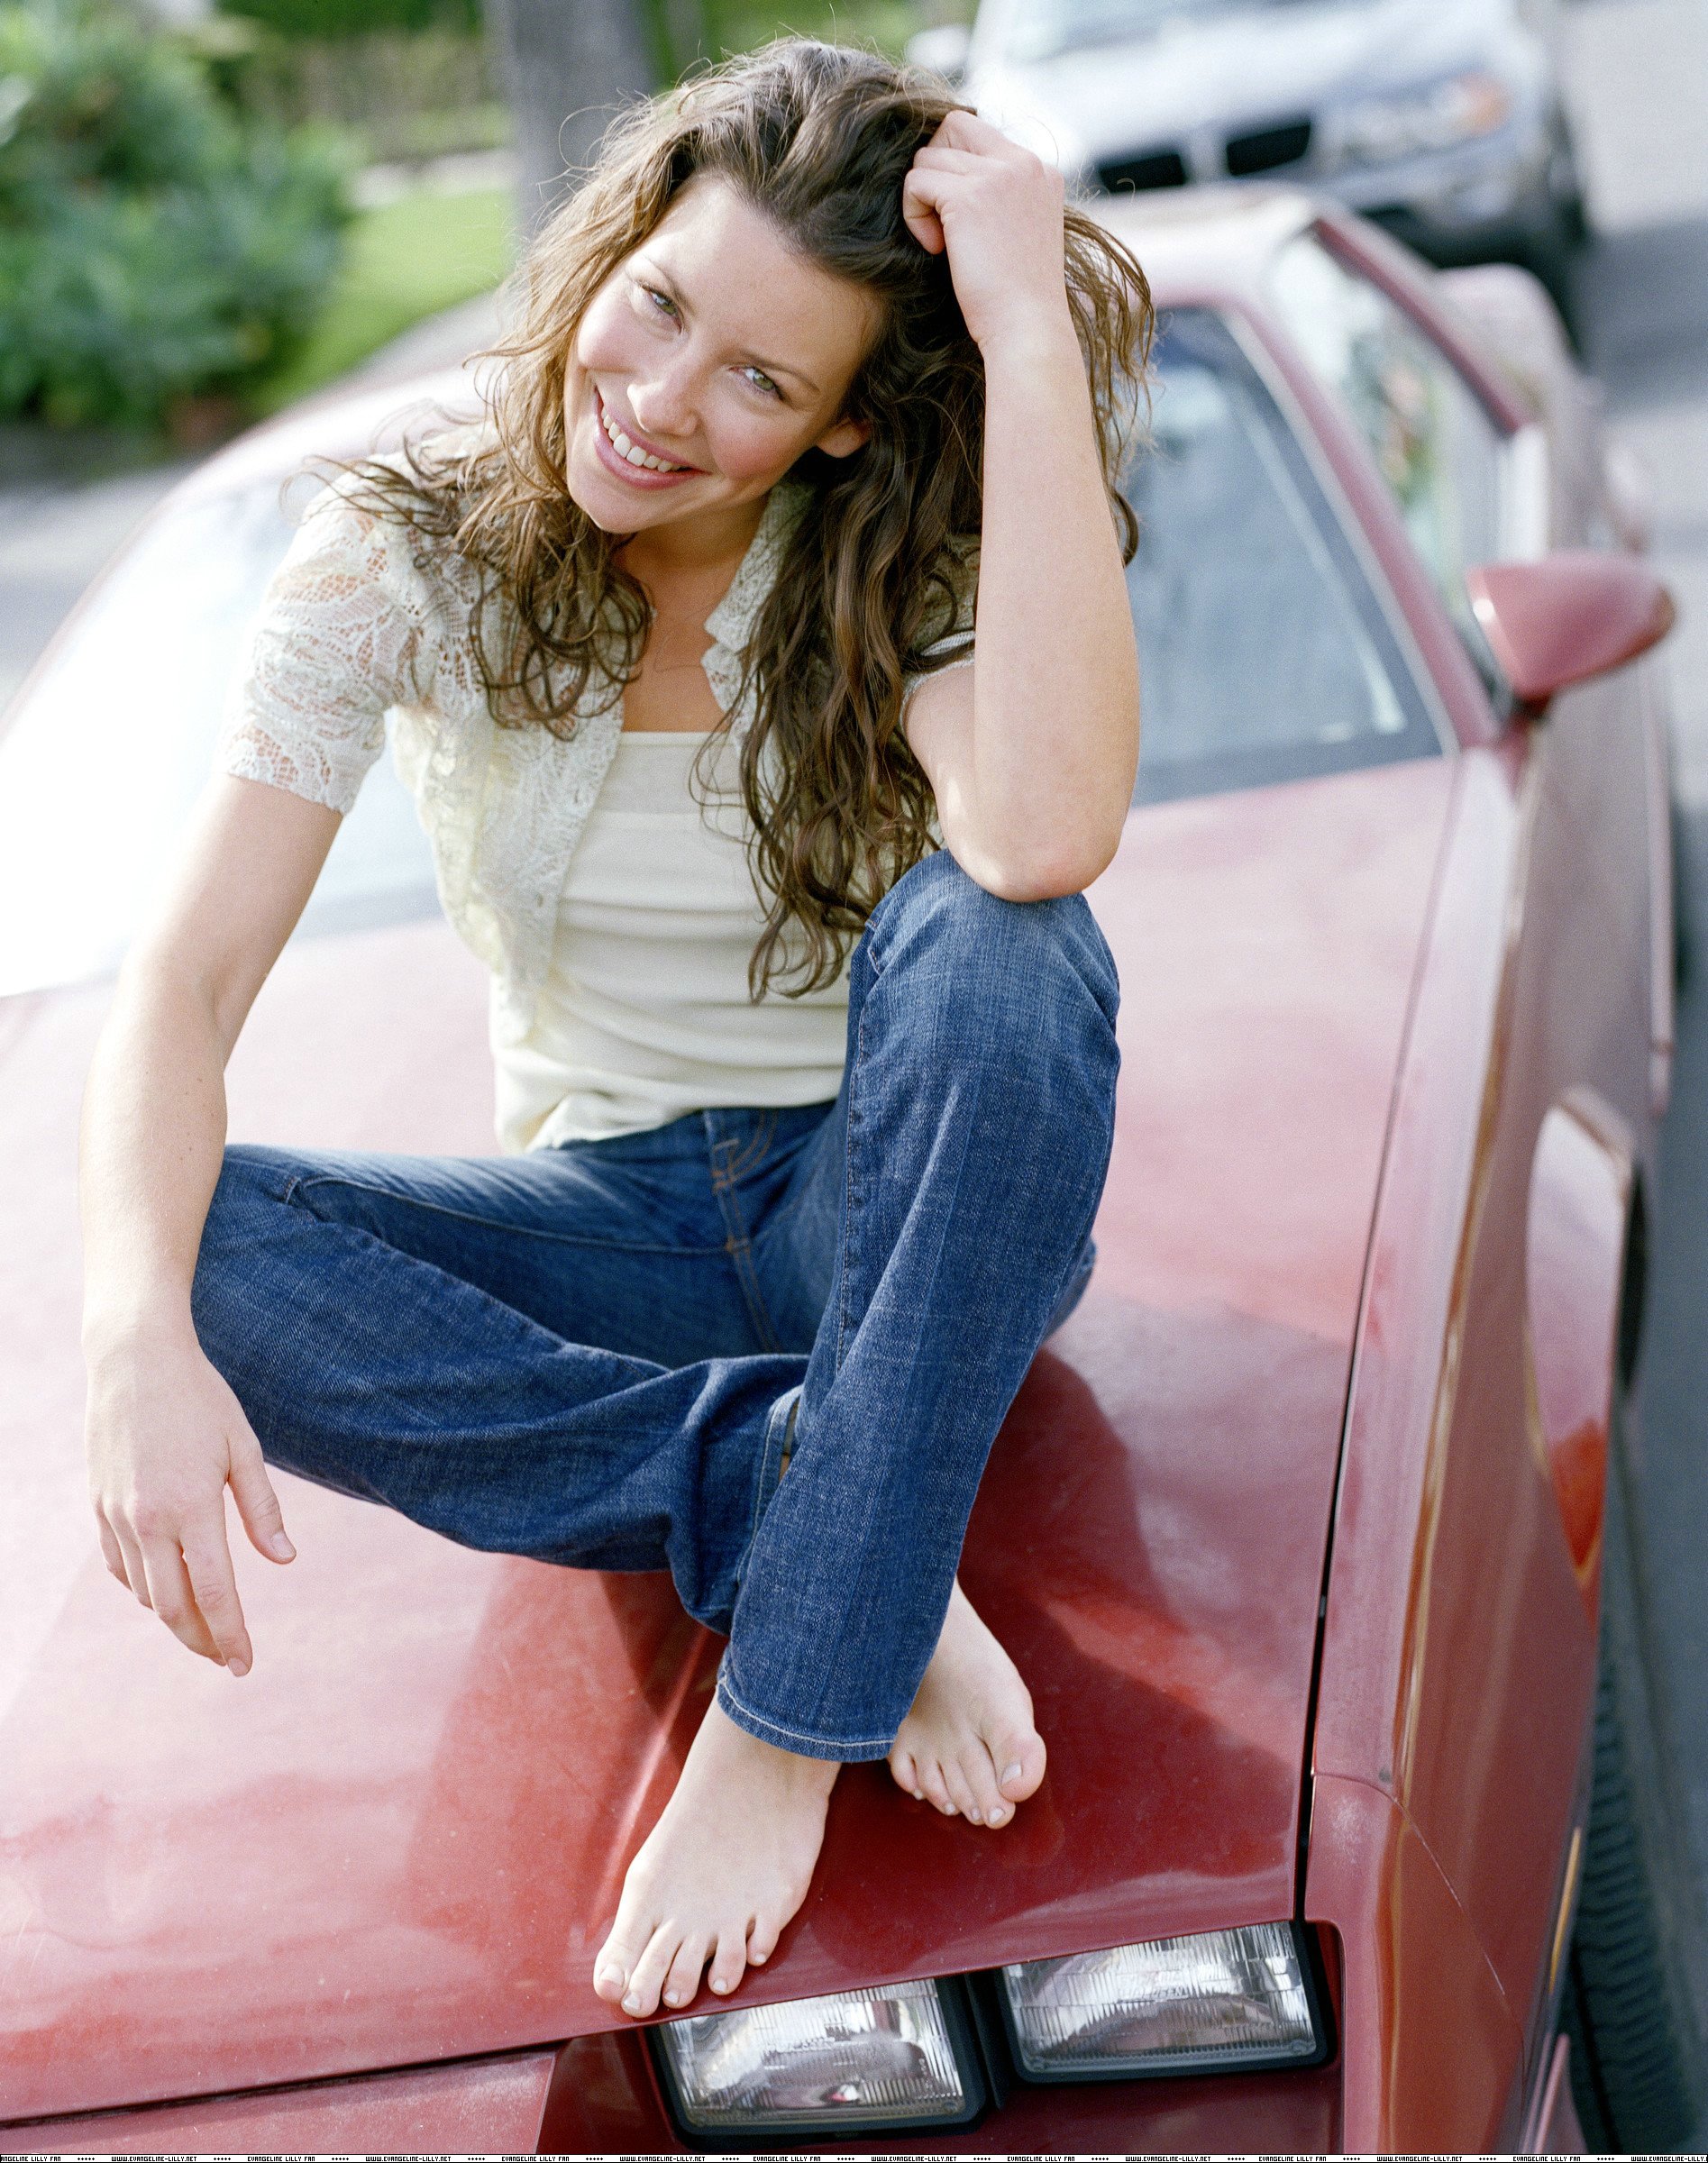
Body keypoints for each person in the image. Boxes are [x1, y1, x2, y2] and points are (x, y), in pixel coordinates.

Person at [78, 39, 1148, 2022]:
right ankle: (814, 1504)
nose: (658, 402)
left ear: (840, 430)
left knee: (1007, 947)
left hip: (888, 1218)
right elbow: (184, 985)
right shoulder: (405, 549)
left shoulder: (886, 557)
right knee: (187, 1240)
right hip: (615, 1235)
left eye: (760, 379)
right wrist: (132, 1332)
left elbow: (1046, 829)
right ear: (610, 253)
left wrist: (1017, 319)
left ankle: (798, 1691)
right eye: (657, 307)